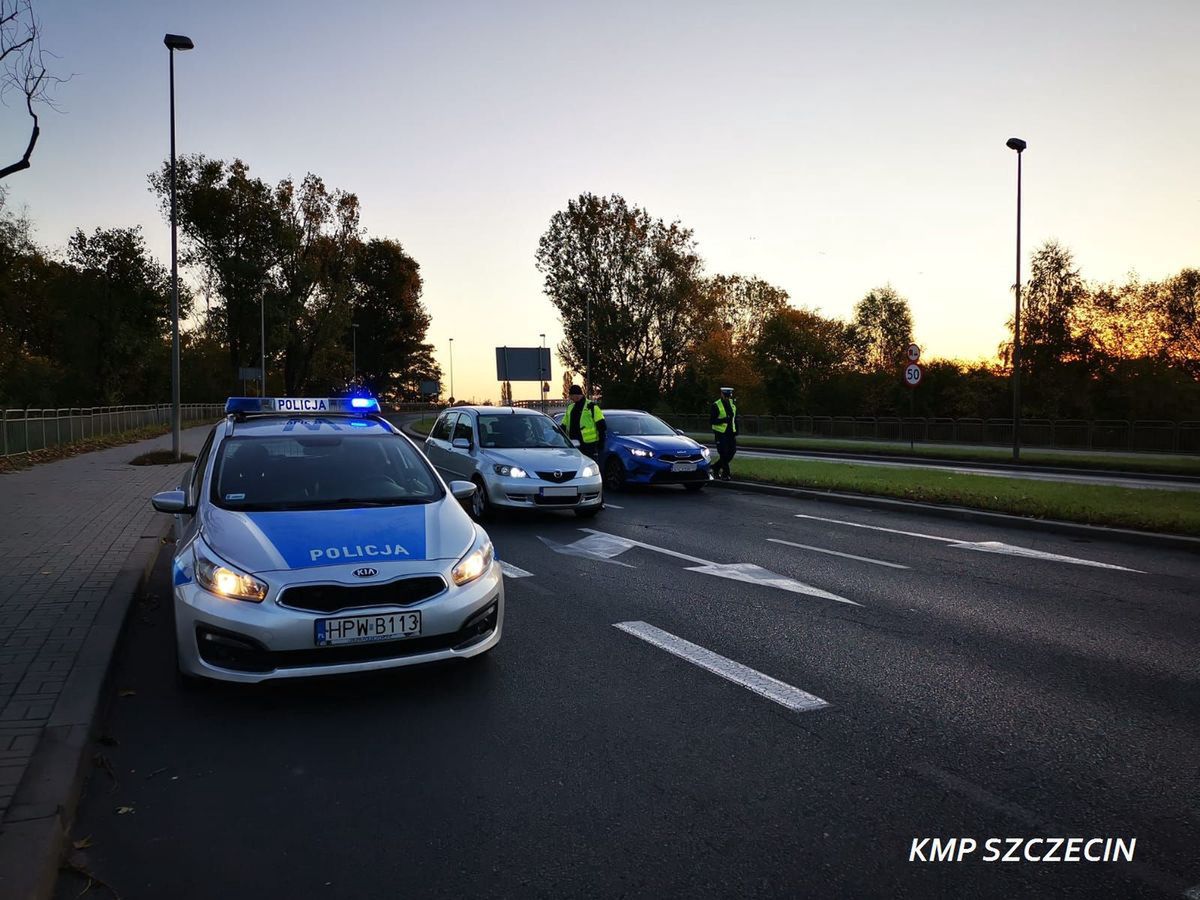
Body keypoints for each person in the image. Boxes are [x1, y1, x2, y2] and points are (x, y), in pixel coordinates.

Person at [563, 383, 606, 461]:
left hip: (589, 445)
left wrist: (601, 443)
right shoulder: (570, 407)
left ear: (576, 395)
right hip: (573, 444)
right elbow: (564, 425)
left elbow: (602, 425)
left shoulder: (591, 406)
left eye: (571, 396)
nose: (570, 398)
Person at [710, 386, 738, 480]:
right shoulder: (716, 405)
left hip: (731, 433)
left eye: (728, 396)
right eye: (725, 395)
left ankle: (716, 467)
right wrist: (723, 420)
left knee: (732, 452)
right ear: (721, 394)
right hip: (720, 433)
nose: (727, 398)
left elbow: (734, 419)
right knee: (723, 453)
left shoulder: (732, 404)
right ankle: (726, 474)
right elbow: (712, 421)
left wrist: (736, 430)